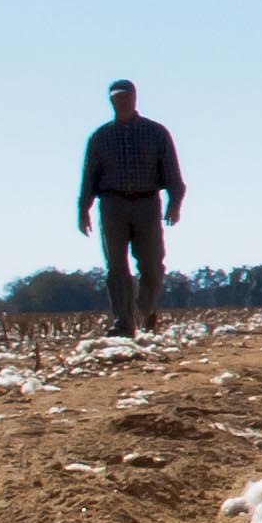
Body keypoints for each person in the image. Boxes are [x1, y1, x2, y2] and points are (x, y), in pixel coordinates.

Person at [76, 80, 185, 333]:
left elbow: (173, 173)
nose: (122, 101)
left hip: (147, 203)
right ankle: (123, 322)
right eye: (117, 98)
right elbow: (89, 177)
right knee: (116, 267)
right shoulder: (100, 137)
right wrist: (83, 209)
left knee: (152, 265)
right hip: (112, 204)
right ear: (111, 101)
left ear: (134, 98)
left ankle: (144, 309)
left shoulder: (156, 133)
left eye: (126, 96)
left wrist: (175, 203)